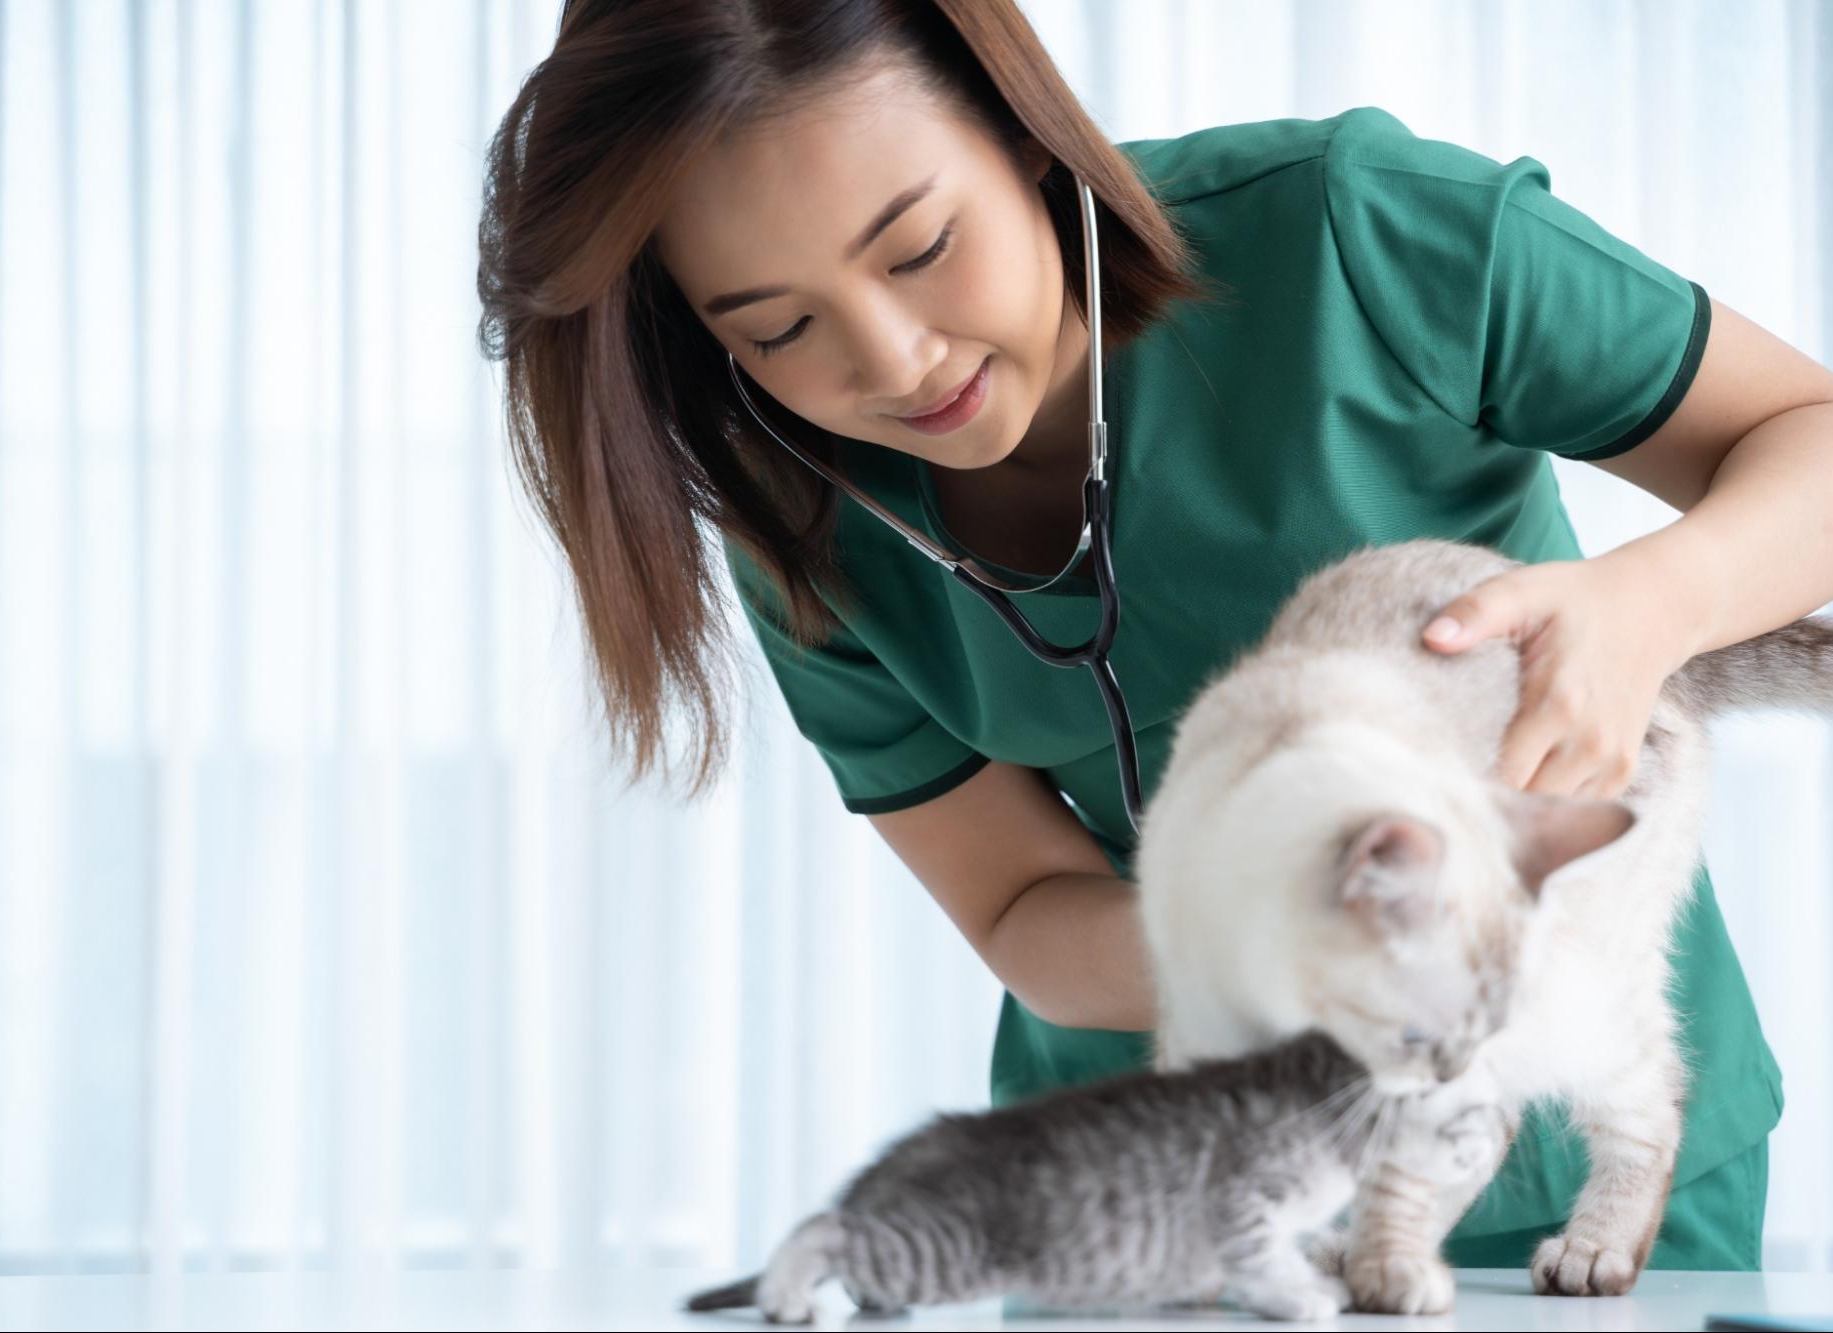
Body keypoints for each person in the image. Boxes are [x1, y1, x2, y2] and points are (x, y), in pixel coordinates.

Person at [478, 0, 1833, 1276]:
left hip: (1561, 1133)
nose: (893, 361)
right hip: (1157, 1200)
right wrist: (1277, 944)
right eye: (776, 329)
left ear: (1022, 135)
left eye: (920, 249)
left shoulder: (1357, 234)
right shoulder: (805, 529)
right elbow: (1017, 908)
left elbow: (1811, 439)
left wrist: (1657, 603)